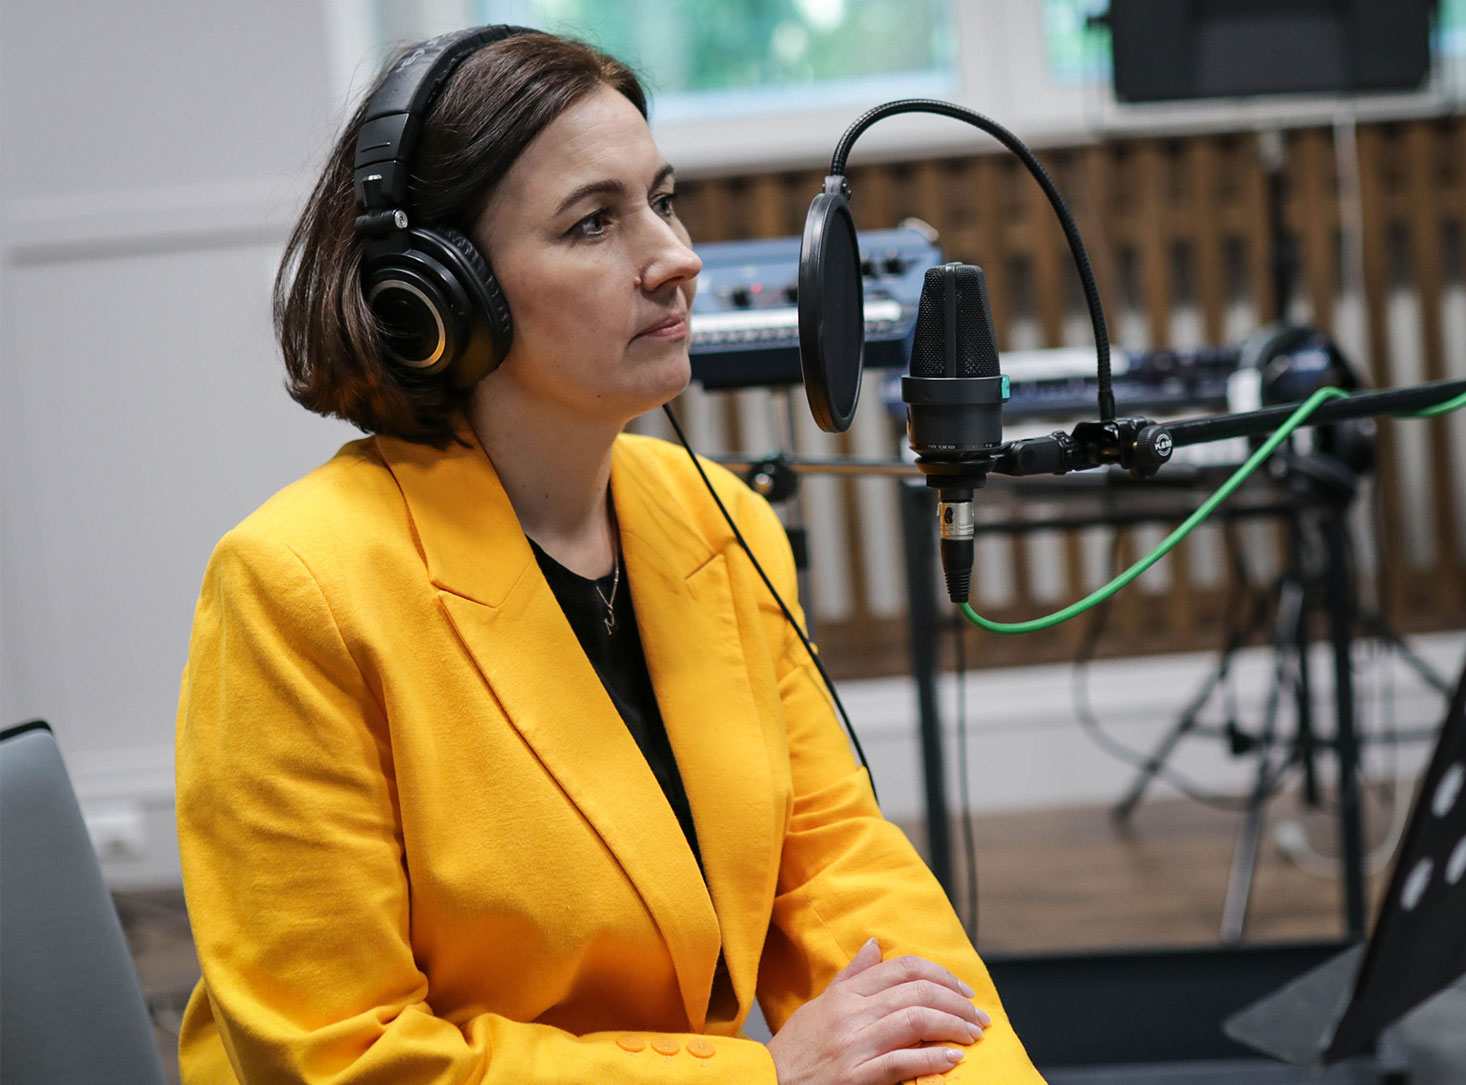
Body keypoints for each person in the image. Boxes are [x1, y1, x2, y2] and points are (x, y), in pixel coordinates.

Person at [173, 26, 1046, 1085]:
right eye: (593, 222)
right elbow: (340, 1053)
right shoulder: (294, 587)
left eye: (662, 200)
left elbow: (838, 876)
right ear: (436, 296)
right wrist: (760, 1078)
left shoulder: (721, 523)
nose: (676, 257)